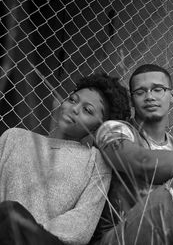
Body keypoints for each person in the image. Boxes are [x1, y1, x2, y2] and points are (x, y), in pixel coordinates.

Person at [0, 72, 131, 245]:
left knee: (12, 214)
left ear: (98, 128)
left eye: (87, 110)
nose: (74, 108)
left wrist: (27, 230)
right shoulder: (14, 137)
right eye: (72, 99)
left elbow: (82, 223)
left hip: (44, 240)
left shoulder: (96, 161)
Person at [94, 64, 173, 245]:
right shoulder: (115, 130)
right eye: (140, 92)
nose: (150, 97)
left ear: (172, 95)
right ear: (132, 99)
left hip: (171, 235)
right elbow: (141, 162)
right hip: (118, 236)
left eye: (158, 89)